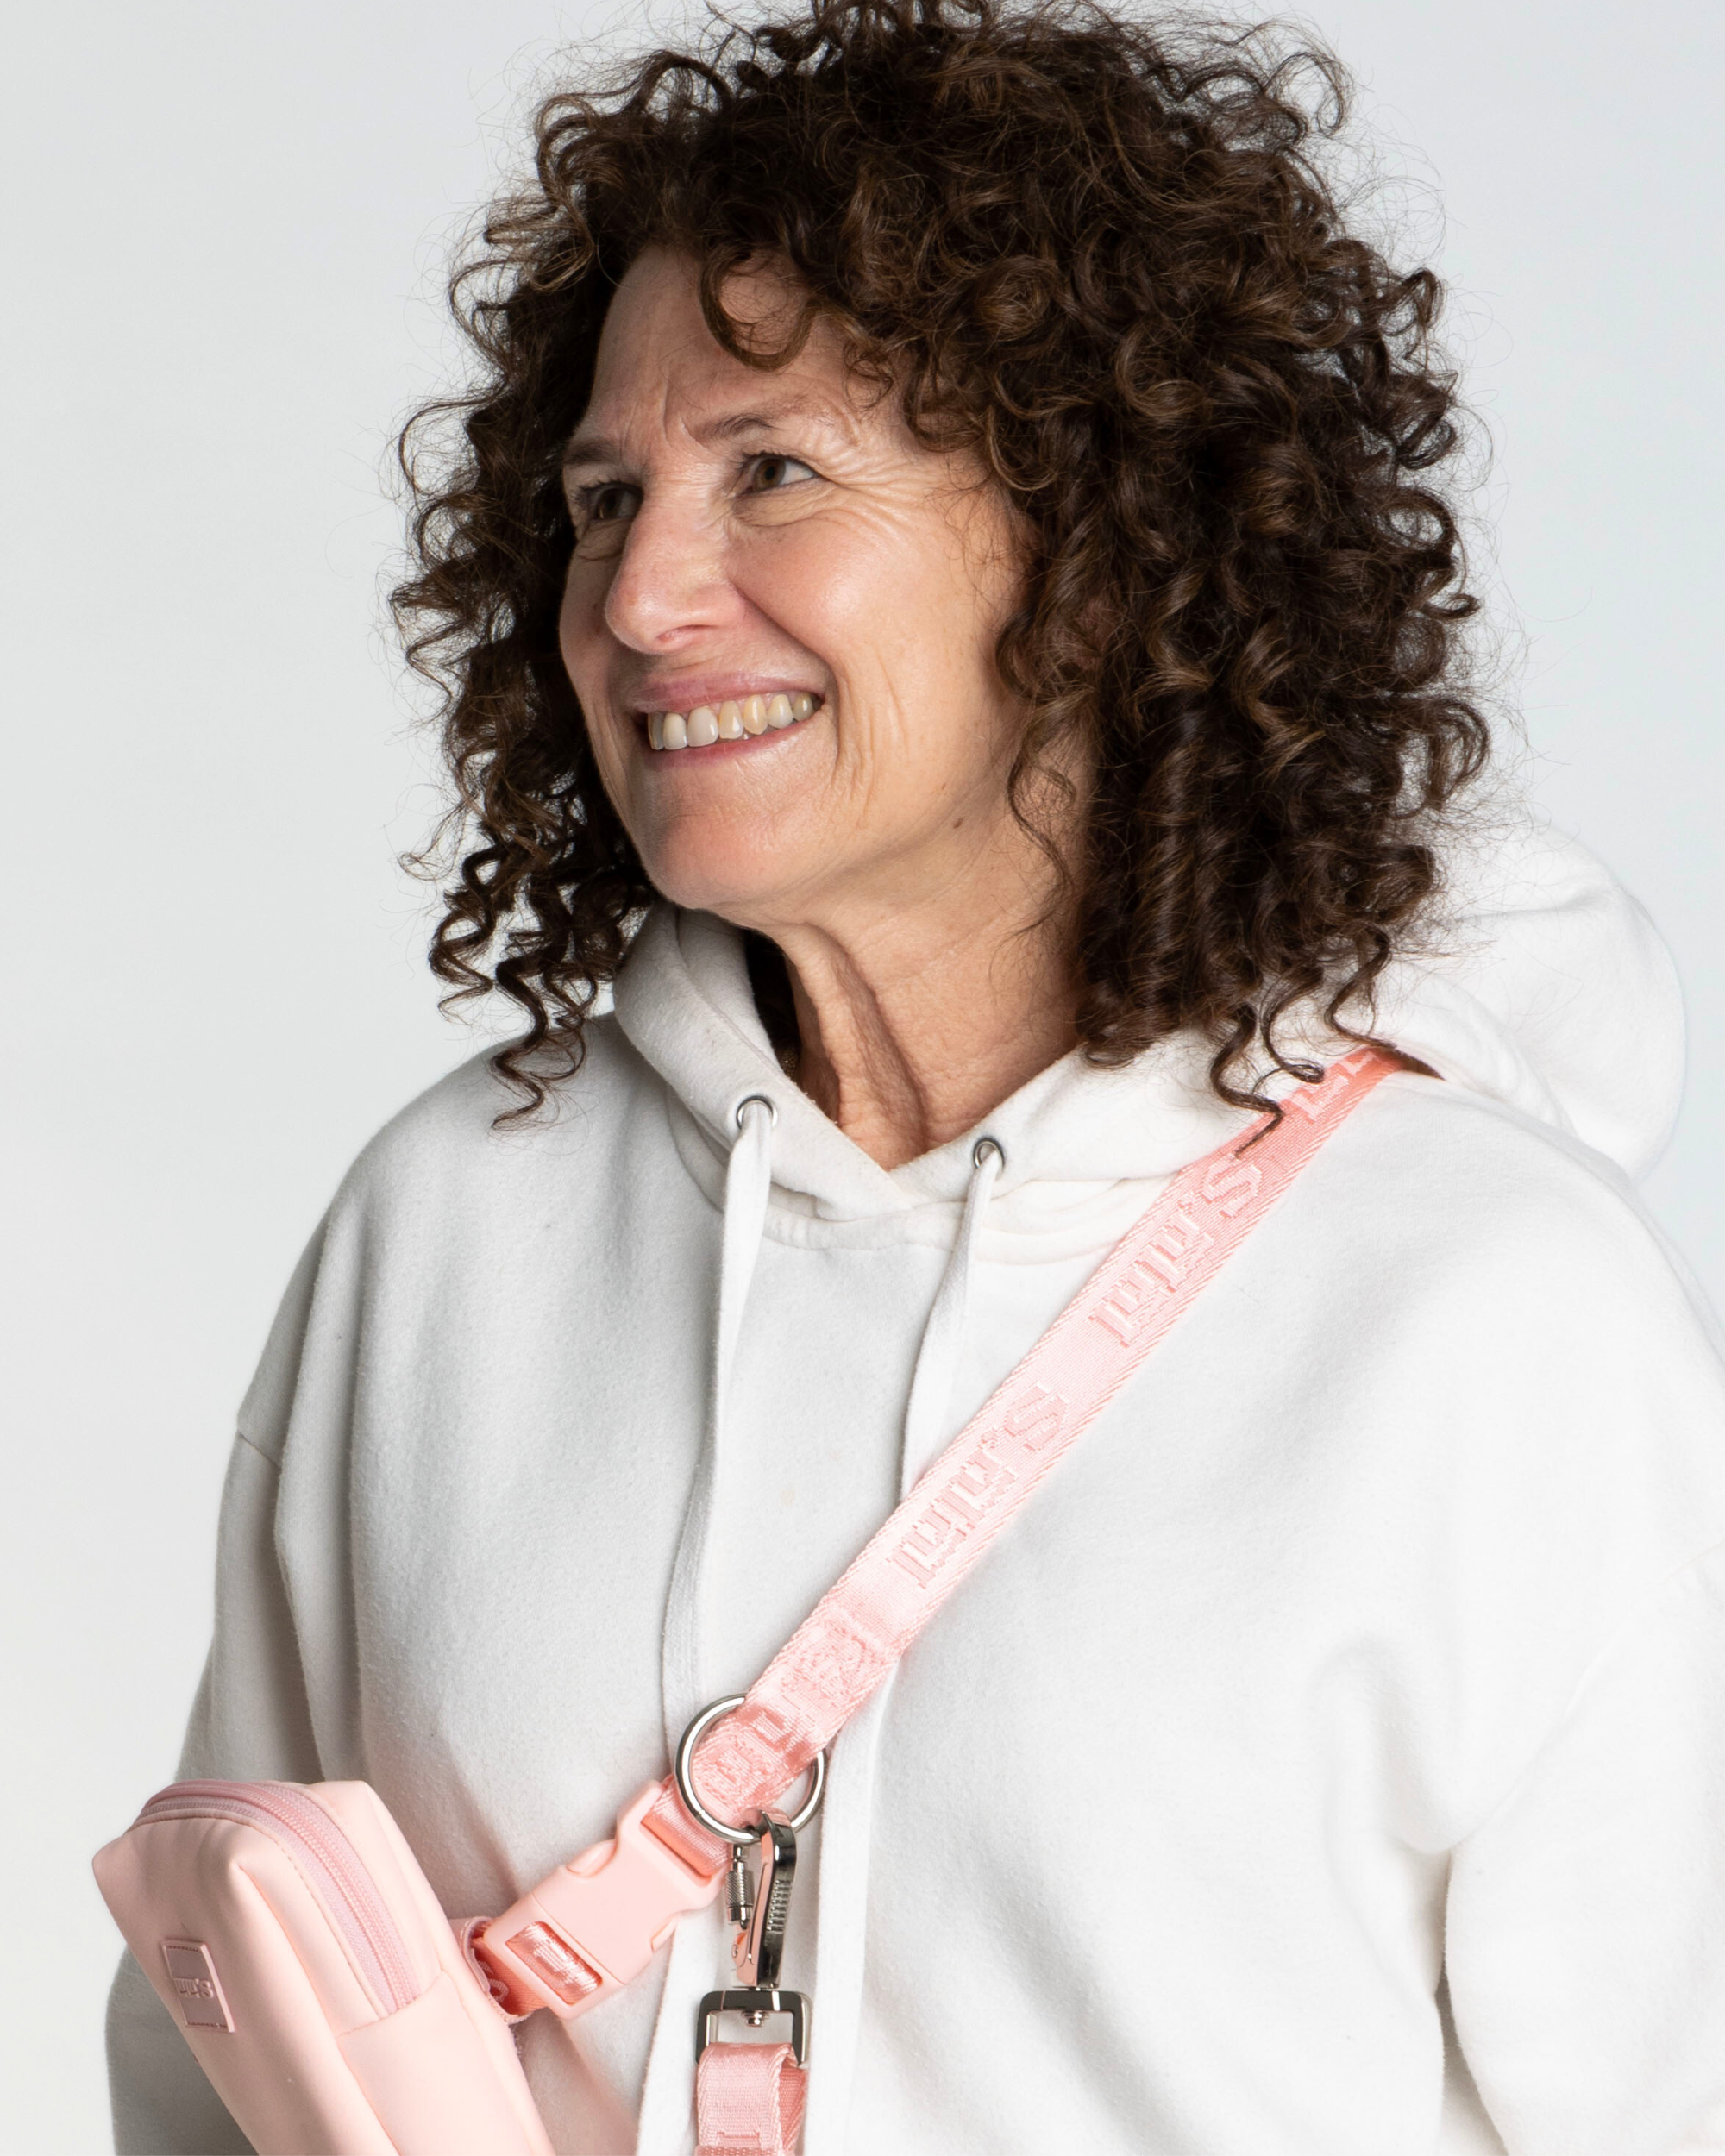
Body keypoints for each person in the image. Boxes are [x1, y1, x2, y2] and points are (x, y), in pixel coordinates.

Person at [106, 2, 1725, 2150]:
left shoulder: (1490, 1314)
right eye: (605, 495)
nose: (641, 594)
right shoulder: (446, 1225)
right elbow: (213, 2052)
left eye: (771, 468)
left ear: (1100, 547)